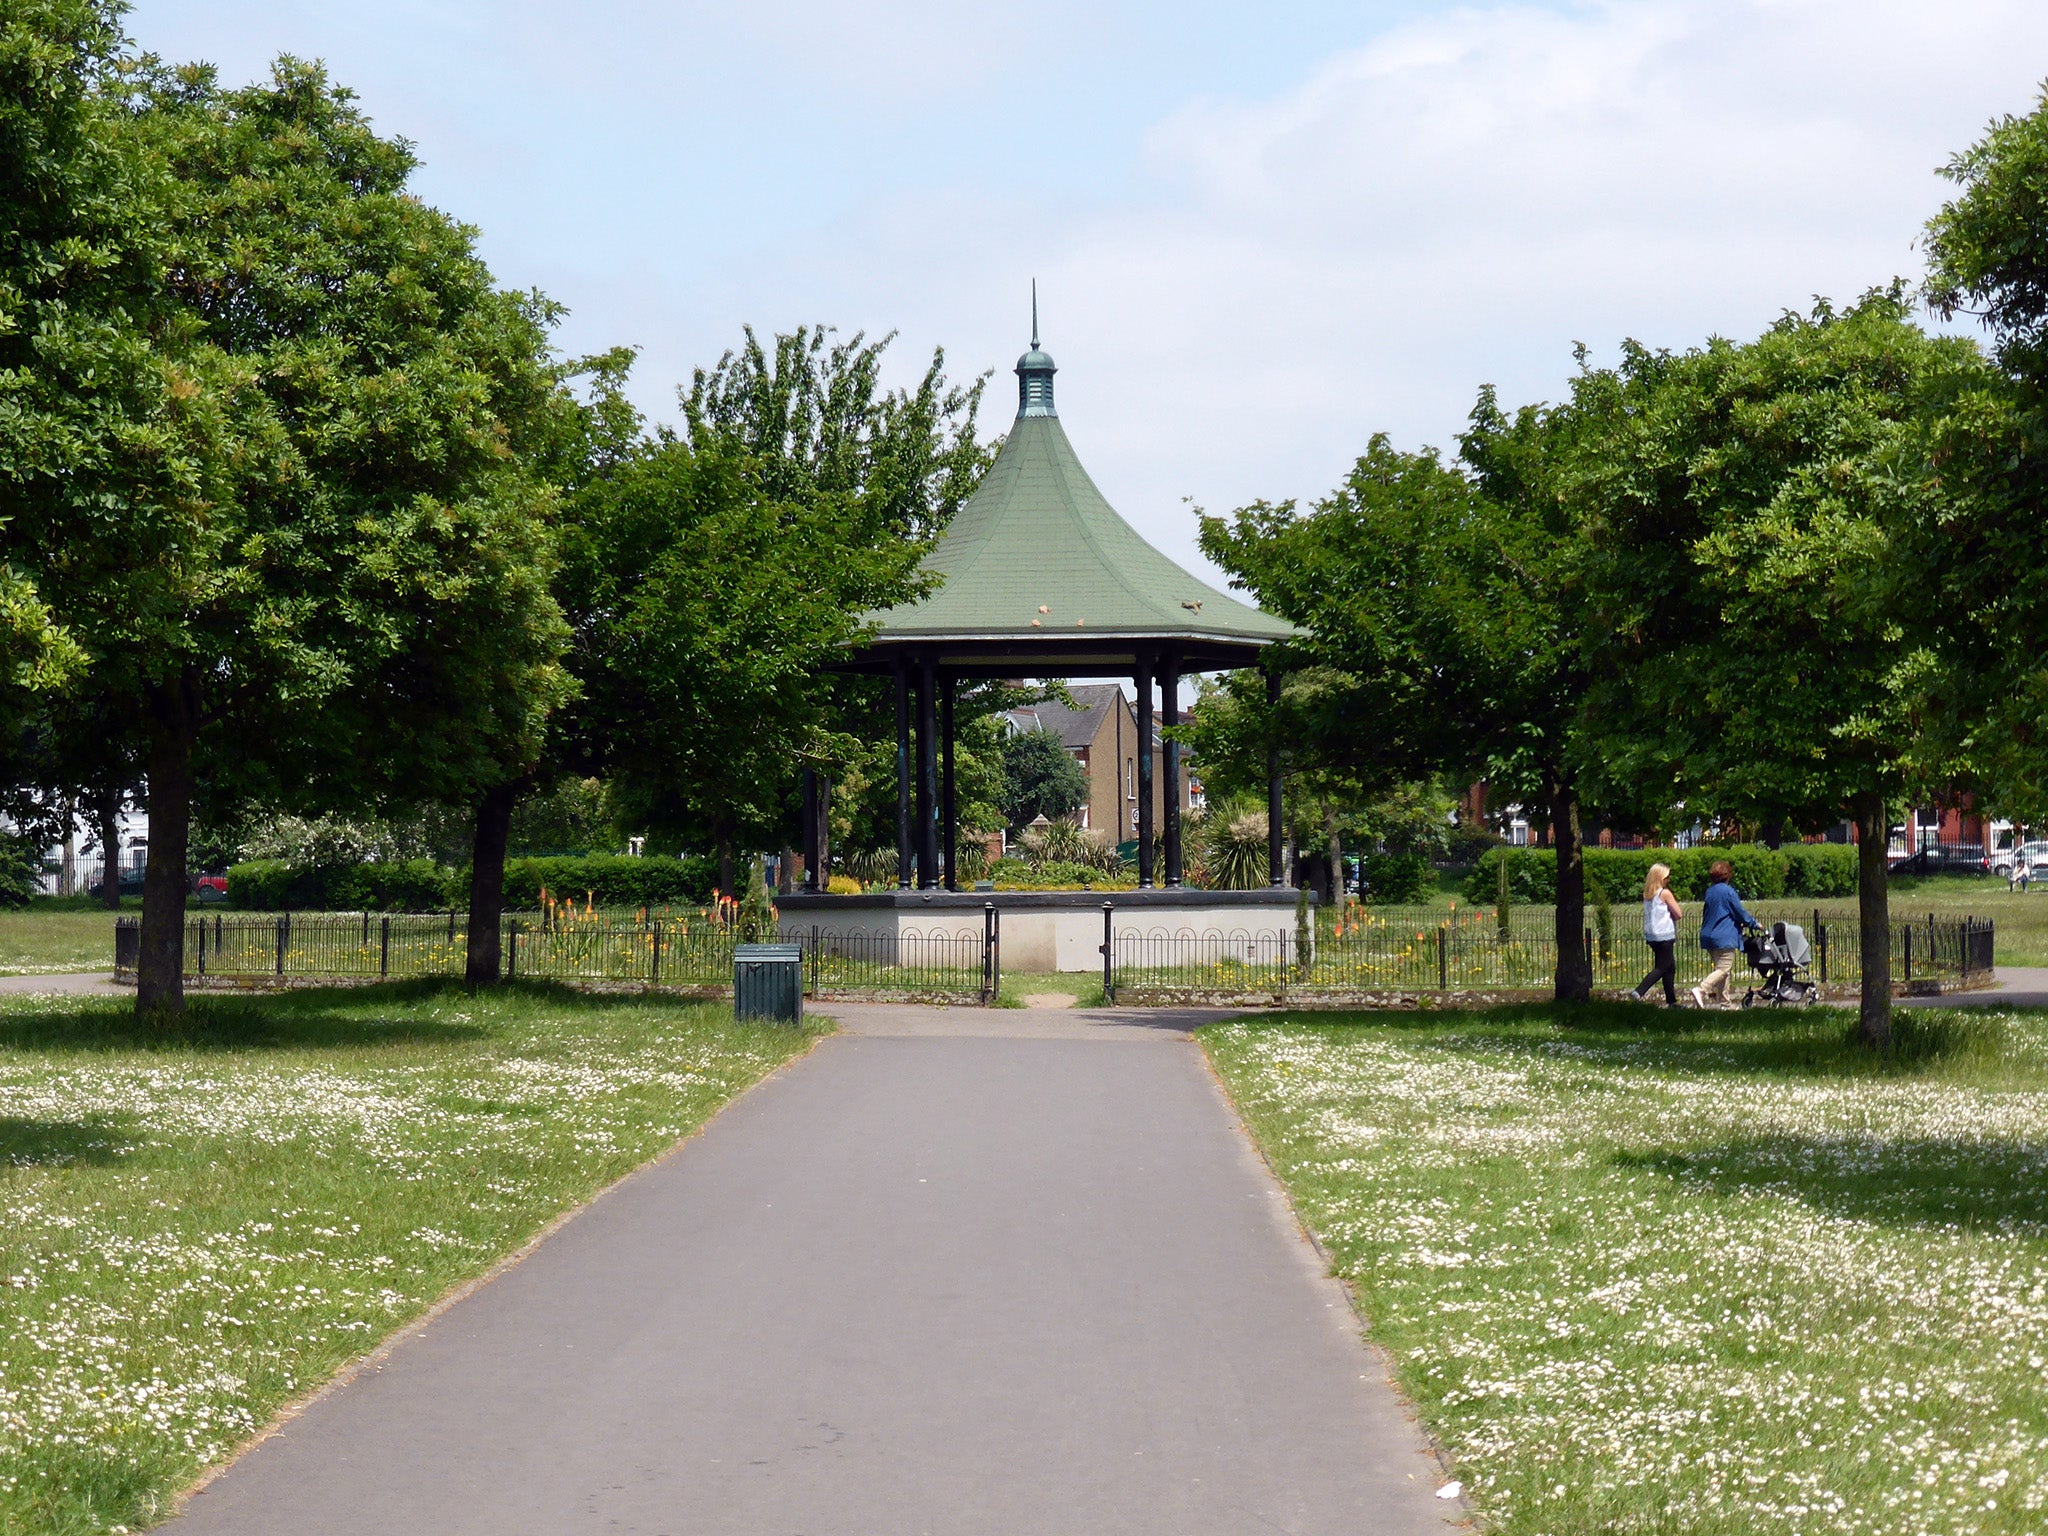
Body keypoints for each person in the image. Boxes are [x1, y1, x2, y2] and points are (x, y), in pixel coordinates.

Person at [1693, 858, 1757, 1008]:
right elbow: (1739, 912)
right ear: (1728, 875)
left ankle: (1725, 1004)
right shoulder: (1728, 892)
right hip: (1724, 936)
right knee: (1724, 969)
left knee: (1722, 971)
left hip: (1708, 935)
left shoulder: (1710, 892)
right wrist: (1754, 924)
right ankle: (1701, 990)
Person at [1632, 863, 1683, 1005]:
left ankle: (1671, 1001)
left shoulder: (1648, 895)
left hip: (1652, 935)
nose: (1668, 880)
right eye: (1666, 877)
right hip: (1664, 935)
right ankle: (1639, 991)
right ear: (1660, 878)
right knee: (1662, 967)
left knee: (1670, 967)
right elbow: (1678, 914)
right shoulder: (1664, 893)